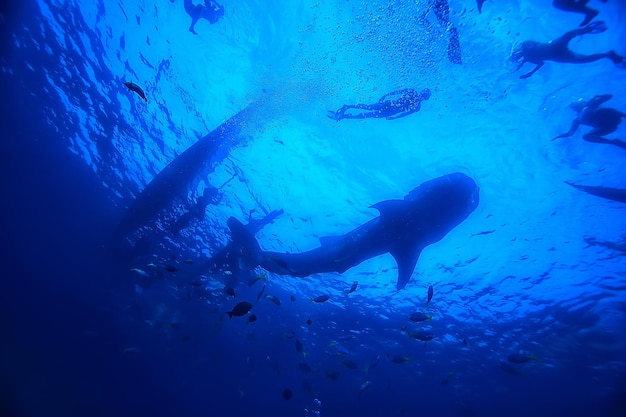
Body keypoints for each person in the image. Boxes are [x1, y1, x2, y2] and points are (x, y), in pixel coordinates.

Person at [511, 21, 623, 79]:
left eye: (516, 55)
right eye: (516, 56)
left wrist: (526, 68)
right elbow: (540, 64)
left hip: (553, 47)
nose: (517, 55)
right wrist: (529, 73)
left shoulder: (525, 45)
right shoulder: (527, 58)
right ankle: (607, 55)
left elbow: (533, 45)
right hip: (557, 56)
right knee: (584, 59)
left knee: (567, 36)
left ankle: (586, 29)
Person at [553, 94, 626, 150]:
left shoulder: (590, 105)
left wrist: (598, 98)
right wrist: (558, 137)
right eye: (573, 107)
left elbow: (609, 96)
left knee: (602, 110)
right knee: (586, 137)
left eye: (575, 104)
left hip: (612, 118)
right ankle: (613, 142)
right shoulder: (577, 119)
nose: (575, 106)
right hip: (606, 127)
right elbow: (570, 133)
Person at [327, 88, 431, 121]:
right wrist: (386, 95)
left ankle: (345, 112)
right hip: (391, 107)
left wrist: (386, 96)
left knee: (369, 111)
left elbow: (397, 92)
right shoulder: (416, 104)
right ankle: (346, 109)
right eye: (423, 94)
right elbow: (397, 92)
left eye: (423, 94)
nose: (421, 95)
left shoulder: (416, 104)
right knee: (369, 111)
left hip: (390, 106)